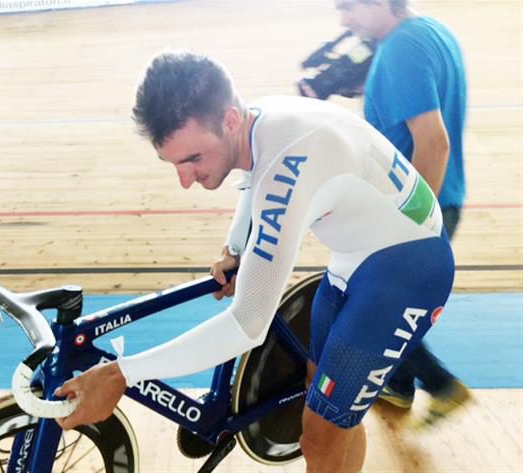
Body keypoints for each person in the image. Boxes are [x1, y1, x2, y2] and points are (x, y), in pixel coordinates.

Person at [54, 52, 453, 473]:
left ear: (228, 120)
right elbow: (257, 176)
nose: (185, 180)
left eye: (193, 159)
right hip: (359, 259)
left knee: (320, 434)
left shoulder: (288, 162)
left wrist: (121, 374)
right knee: (325, 408)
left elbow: (246, 325)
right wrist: (236, 248)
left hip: (408, 274)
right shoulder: (259, 120)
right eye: (174, 164)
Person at [334, 0, 471, 428]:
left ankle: (443, 385)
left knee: (371, 309)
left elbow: (434, 142)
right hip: (443, 198)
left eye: (349, 7)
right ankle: (400, 384)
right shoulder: (430, 31)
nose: (344, 19)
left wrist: (414, 228)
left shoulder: (399, 51)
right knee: (390, 300)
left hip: (415, 210)